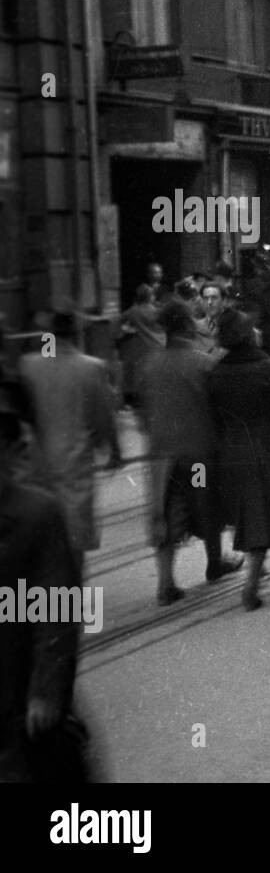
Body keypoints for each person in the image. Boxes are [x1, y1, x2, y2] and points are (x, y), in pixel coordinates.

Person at [0, 390, 86, 782]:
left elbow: (56, 607)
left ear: (12, 455)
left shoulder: (38, 515)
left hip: (20, 694)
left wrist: (46, 690)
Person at [139, 301, 243, 605]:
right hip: (198, 456)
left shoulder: (148, 365)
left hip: (162, 457)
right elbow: (220, 410)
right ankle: (214, 563)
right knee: (206, 504)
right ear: (186, 326)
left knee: (164, 512)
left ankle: (165, 582)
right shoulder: (204, 363)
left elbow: (143, 415)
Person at [207, 309, 270, 610]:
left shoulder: (215, 372)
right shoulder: (268, 367)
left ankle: (256, 567)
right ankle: (250, 585)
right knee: (262, 516)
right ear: (249, 335)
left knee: (245, 511)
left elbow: (212, 417)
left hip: (230, 450)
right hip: (265, 447)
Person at [19, 311, 122, 573]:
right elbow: (102, 416)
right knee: (74, 539)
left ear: (48, 335)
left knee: (41, 535)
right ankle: (70, 600)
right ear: (76, 334)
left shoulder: (29, 365)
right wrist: (113, 450)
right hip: (74, 465)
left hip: (36, 465)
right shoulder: (90, 367)